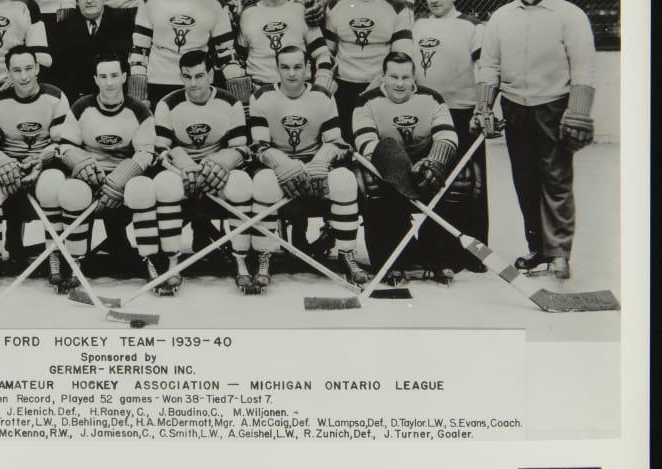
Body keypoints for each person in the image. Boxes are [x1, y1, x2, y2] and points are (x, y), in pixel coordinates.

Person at [474, 0, 596, 280]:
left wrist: (579, 111)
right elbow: (490, 65)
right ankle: (538, 249)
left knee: (556, 181)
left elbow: (583, 67)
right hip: (515, 108)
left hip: (554, 107)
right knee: (525, 181)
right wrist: (484, 106)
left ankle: (559, 254)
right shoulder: (500, 18)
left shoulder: (569, 15)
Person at [248, 45, 364, 288]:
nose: (292, 74)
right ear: (277, 69)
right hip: (279, 169)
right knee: (262, 183)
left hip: (314, 168)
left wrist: (322, 160)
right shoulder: (261, 96)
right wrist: (282, 162)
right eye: (285, 67)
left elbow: (336, 142)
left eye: (298, 67)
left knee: (344, 179)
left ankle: (346, 255)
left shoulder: (322, 96)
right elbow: (258, 146)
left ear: (308, 69)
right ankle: (264, 256)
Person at [143, 50, 252, 294]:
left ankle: (240, 258)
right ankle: (172, 260)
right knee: (164, 186)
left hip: (216, 170)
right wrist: (182, 163)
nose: (193, 83)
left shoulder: (230, 102)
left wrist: (221, 163)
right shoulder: (167, 104)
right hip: (182, 170)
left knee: (242, 183)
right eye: (187, 76)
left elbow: (241, 147)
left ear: (211, 75)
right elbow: (160, 150)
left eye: (200, 76)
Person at [0, 46, 77, 292]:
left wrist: (40, 160)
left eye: (29, 68)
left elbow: (63, 142)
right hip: (10, 166)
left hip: (44, 163)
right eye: (17, 70)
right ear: (8, 72)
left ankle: (54, 255)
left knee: (53, 184)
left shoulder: (55, 96)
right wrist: (3, 163)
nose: (24, 76)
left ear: (38, 68)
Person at [352, 52, 460, 283]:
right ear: (383, 77)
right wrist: (402, 172)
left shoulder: (432, 98)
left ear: (414, 79)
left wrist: (432, 162)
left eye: (405, 77)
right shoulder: (366, 101)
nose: (399, 83)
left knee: (449, 183)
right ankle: (394, 259)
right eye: (393, 77)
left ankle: (440, 259)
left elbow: (447, 136)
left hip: (425, 162)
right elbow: (367, 145)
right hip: (386, 166)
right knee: (376, 186)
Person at [54, 54, 157, 282]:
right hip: (91, 176)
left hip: (122, 182)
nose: (109, 82)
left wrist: (121, 178)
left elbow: (146, 151)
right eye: (103, 76)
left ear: (123, 77)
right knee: (72, 192)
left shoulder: (139, 110)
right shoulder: (81, 107)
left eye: (113, 76)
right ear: (95, 79)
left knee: (144, 190)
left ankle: (150, 260)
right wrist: (82, 164)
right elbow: (66, 145)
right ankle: (75, 262)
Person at [413, 0, 489, 264]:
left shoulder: (472, 27)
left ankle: (475, 254)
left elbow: (484, 69)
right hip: (428, 114)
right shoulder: (418, 25)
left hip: (463, 111)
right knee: (435, 180)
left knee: (471, 184)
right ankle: (437, 250)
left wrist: (483, 108)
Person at [128, 0, 251, 107]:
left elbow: (227, 54)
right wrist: (139, 101)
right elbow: (138, 54)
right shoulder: (150, 0)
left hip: (199, 83)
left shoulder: (214, 3)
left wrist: (243, 103)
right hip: (159, 81)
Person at [322, 0, 416, 142]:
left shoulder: (396, 6)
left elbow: (401, 56)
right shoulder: (336, 6)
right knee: (345, 143)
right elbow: (328, 53)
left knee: (378, 143)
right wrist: (326, 82)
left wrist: (379, 83)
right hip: (345, 86)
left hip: (380, 87)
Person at [236, 0, 334, 90]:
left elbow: (322, 54)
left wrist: (321, 85)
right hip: (260, 91)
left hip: (298, 90)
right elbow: (239, 60)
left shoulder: (302, 10)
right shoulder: (247, 14)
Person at [50, 0, 135, 103]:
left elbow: (126, 64)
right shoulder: (63, 28)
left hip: (114, 97)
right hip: (75, 99)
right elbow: (59, 71)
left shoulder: (123, 25)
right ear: (77, 1)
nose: (89, 0)